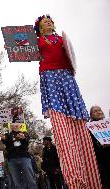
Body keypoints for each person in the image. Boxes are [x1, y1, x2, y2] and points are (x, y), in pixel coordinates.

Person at [34, 15, 102, 189]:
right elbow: (22, 52)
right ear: (40, 27)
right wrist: (11, 47)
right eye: (44, 21)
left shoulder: (62, 38)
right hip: (50, 76)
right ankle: (75, 181)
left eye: (50, 20)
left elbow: (71, 56)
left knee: (78, 120)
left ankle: (91, 179)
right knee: (61, 124)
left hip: (66, 76)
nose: (48, 22)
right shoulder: (37, 40)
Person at [1, 122, 37, 189]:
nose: (15, 126)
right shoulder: (8, 135)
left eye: (17, 125)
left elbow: (26, 142)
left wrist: (23, 138)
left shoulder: (25, 133)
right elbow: (5, 141)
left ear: (20, 126)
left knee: (29, 176)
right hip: (12, 159)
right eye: (13, 125)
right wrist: (3, 139)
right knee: (16, 179)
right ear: (11, 126)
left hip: (24, 157)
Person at [89, 106, 110, 189]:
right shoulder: (90, 128)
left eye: (99, 110)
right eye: (95, 111)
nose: (98, 112)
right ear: (91, 115)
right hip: (101, 162)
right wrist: (101, 144)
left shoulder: (108, 124)